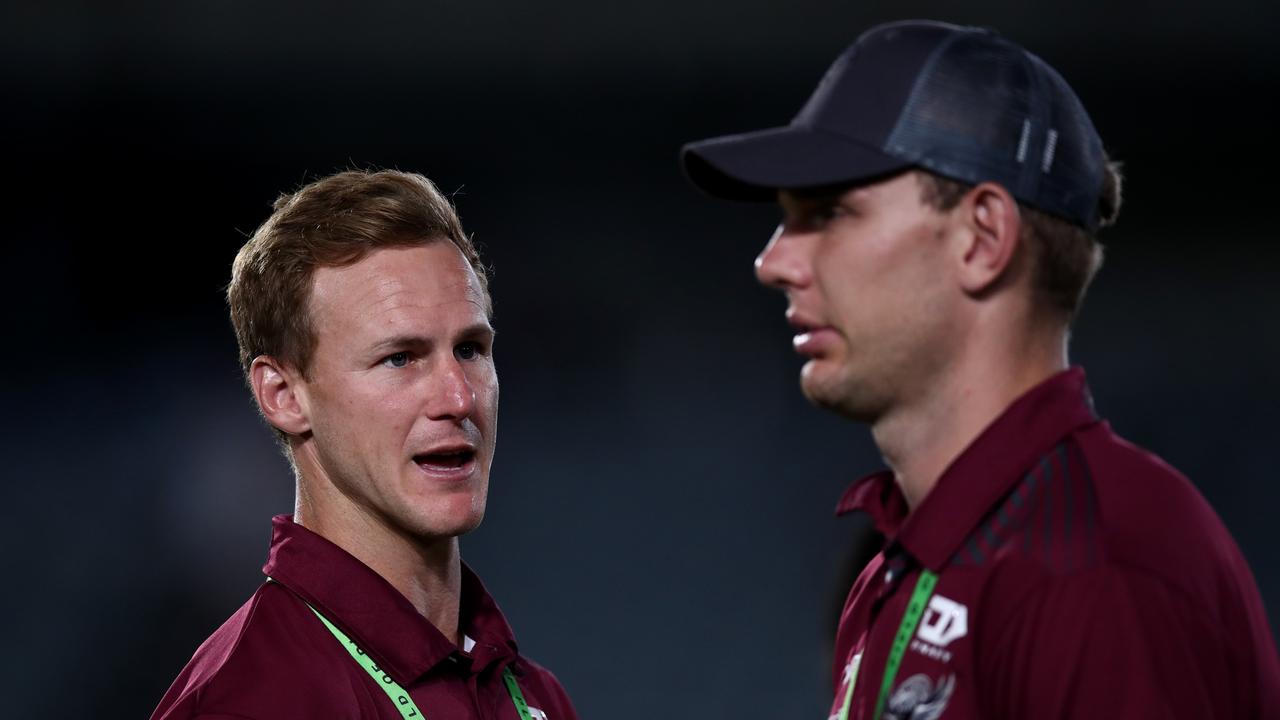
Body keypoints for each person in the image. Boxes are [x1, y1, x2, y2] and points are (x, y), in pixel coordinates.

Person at [681, 19, 1280, 720]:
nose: (773, 262)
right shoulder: (902, 566)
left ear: (983, 238)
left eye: (830, 211)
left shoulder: (1095, 569)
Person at [152, 169, 578, 720]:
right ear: (283, 395)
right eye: (400, 358)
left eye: (471, 349)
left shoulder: (534, 698)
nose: (458, 396)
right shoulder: (250, 700)